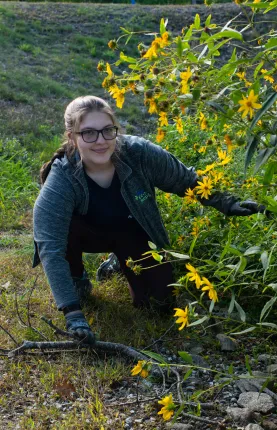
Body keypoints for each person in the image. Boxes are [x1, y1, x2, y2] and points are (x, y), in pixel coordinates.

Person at [33, 95, 265, 344]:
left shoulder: (138, 153)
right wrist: (73, 313)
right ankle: (76, 279)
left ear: (115, 130)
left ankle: (118, 264)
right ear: (72, 136)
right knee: (62, 233)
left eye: (107, 131)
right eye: (88, 133)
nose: (100, 141)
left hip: (130, 232)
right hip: (83, 235)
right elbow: (50, 247)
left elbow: (185, 180)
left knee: (158, 303)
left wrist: (228, 203)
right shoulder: (63, 176)